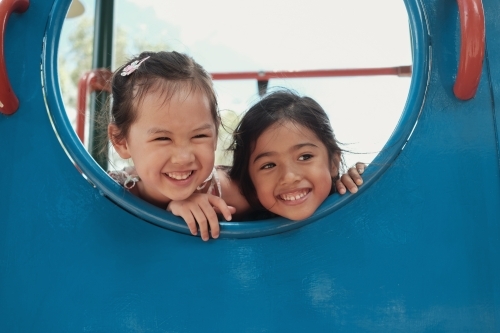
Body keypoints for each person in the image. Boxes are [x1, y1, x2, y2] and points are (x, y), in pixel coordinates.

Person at [106, 51, 245, 241]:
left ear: (215, 135)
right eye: (162, 139)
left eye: (199, 135)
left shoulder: (234, 192)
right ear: (120, 141)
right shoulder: (110, 195)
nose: (183, 157)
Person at [229, 89, 364, 221]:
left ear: (334, 163)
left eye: (305, 157)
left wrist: (363, 182)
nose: (289, 177)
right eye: (269, 165)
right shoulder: (234, 224)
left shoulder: (355, 208)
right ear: (251, 183)